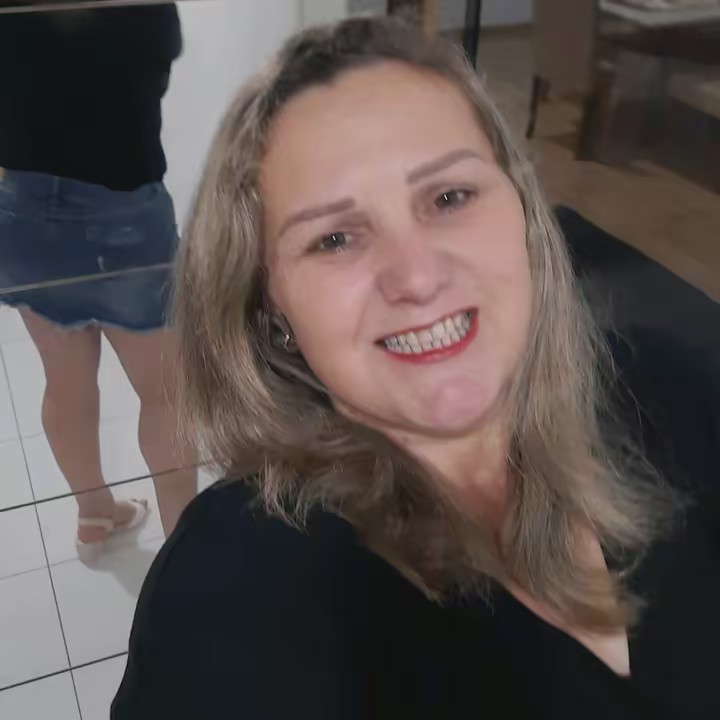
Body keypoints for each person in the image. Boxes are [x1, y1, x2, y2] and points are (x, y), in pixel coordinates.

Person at [112, 18, 719, 720]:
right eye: (335, 238)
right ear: (270, 307)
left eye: (448, 198)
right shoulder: (243, 586)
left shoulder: (665, 389)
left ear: (525, 213)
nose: (417, 276)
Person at [0, 4, 197, 553]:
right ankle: (184, 552)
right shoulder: (141, 9)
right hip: (123, 217)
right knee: (165, 395)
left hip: (21, 211)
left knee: (64, 381)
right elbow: (155, 67)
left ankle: (94, 513)